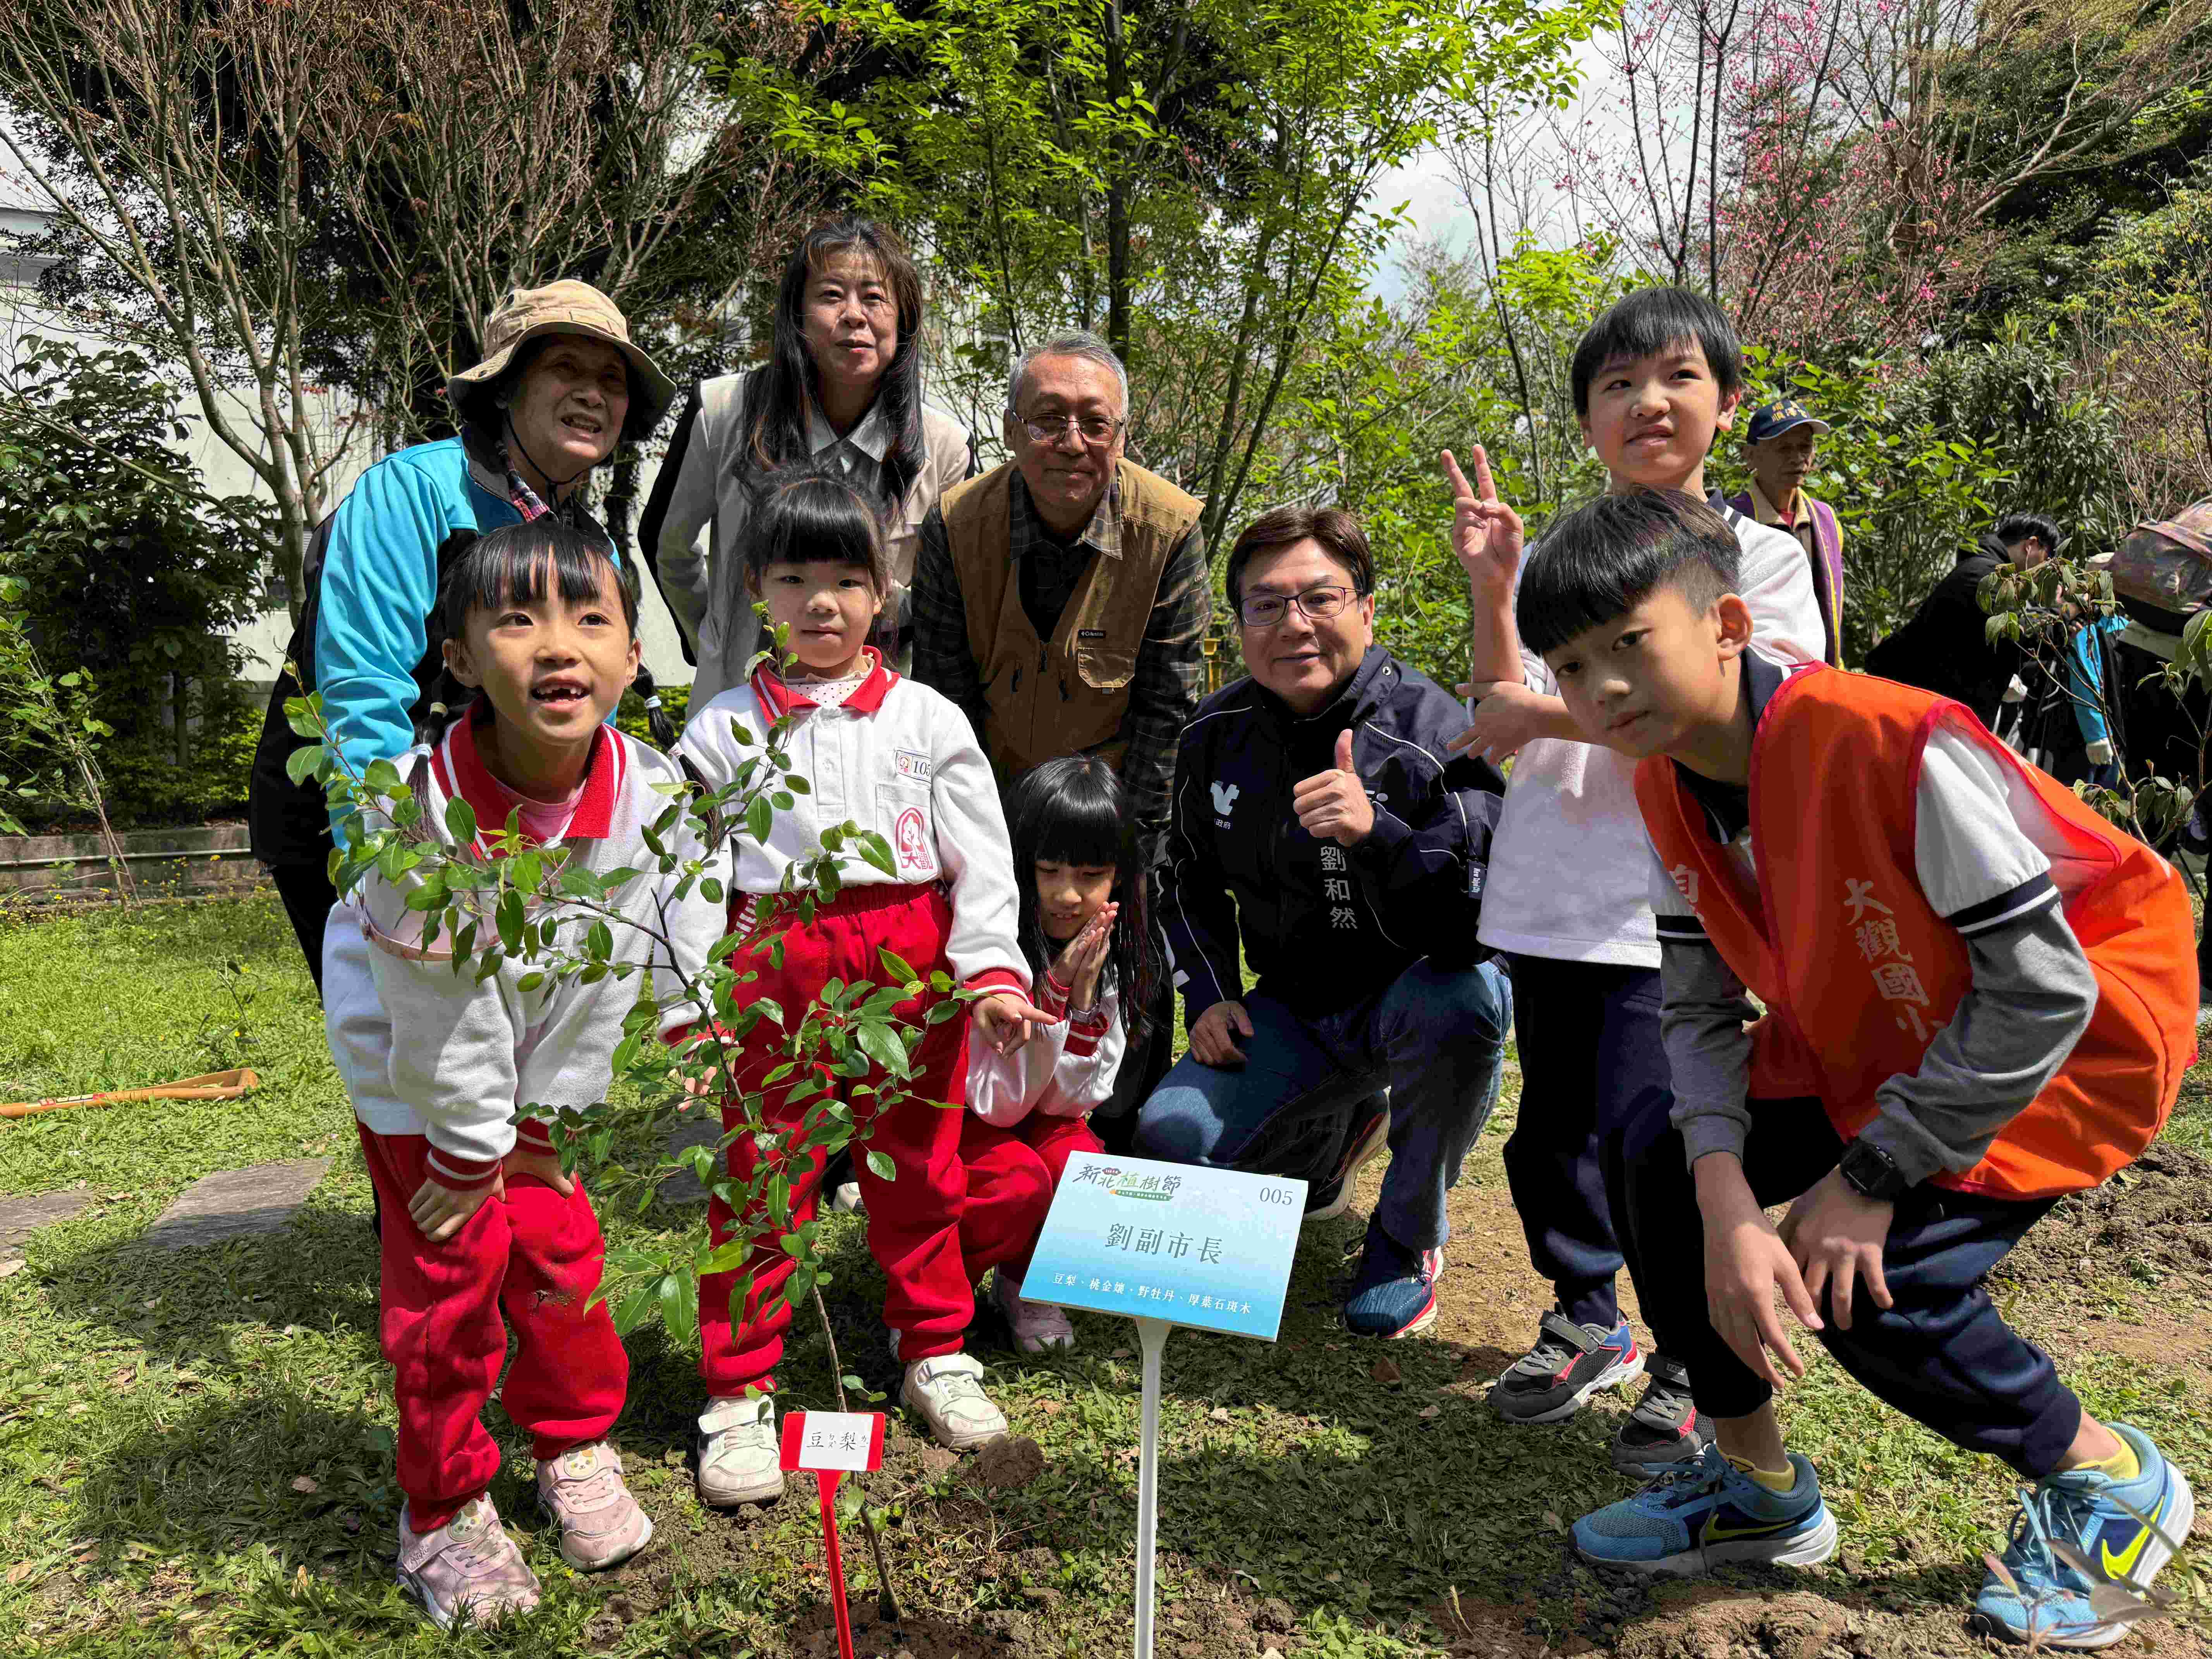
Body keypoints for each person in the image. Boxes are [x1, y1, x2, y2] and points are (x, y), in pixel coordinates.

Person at [1519, 489, 2198, 1649]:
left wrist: (1867, 1179)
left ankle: (2106, 1480)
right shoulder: (1661, 781)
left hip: (2059, 1043)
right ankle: (1754, 1493)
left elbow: (2041, 986)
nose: (1602, 692)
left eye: (1627, 646)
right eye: (1570, 669)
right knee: (1652, 1148)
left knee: (1865, 1283)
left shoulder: (1886, 740)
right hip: (1877, 1034)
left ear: (1726, 622)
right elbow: (1692, 1008)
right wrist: (1724, 1196)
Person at [323, 521, 718, 1628]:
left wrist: (687, 1018)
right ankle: (443, 1505)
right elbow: (441, 1012)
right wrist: (465, 1146)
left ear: (635, 657)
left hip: (546, 1061)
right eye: (518, 619)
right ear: (457, 656)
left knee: (558, 1248)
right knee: (450, 1272)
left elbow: (681, 898)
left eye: (592, 619)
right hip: (418, 1073)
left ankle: (572, 1439)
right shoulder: (419, 812)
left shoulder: (653, 789)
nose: (559, 646)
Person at [1454, 287, 1823, 1469]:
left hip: (1670, 897)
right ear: (1584, 423)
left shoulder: (1758, 556)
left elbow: (1765, 720)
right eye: (1614, 386)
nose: (1644, 404)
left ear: (1723, 405)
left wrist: (1542, 711)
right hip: (1550, 882)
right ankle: (1582, 1313)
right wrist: (1491, 581)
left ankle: (1682, 1353)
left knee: (1647, 1133)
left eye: (1673, 377)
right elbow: (1494, 708)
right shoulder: (1562, 558)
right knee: (1551, 1127)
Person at [671, 474, 1059, 1509]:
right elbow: (686, 874)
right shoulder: (720, 732)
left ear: (883, 589)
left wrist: (988, 970)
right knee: (766, 1169)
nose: (823, 603)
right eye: (795, 578)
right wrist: (693, 999)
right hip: (776, 958)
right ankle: (739, 1385)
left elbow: (981, 854)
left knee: (919, 1165)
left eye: (847, 579)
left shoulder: (928, 719)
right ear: (759, 591)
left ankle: (932, 1341)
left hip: (908, 963)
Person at [1134, 505, 1513, 1340]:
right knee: (1171, 1139)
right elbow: (1182, 877)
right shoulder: (1215, 734)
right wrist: (1210, 995)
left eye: (1320, 598)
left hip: (1417, 996)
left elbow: (1482, 924)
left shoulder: (1436, 730)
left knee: (1469, 1001)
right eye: (1266, 606)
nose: (1294, 626)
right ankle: (1334, 1137)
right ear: (1237, 627)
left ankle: (1406, 1238)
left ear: (1367, 611)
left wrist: (1379, 835)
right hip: (1295, 1008)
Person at [249, 280, 675, 996]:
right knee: (405, 1052)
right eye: (565, 369)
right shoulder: (410, 494)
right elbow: (362, 695)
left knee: (512, 1045)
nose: (593, 394)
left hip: (505, 821)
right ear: (506, 388)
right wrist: (390, 869)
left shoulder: (586, 542)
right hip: (367, 815)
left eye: (611, 380)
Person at [910, 328, 1210, 1141]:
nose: (1070, 444)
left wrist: (1130, 854)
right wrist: (969, 838)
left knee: (1125, 975)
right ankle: (985, 1122)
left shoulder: (1171, 529)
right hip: (992, 788)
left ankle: (1113, 1131)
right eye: (1047, 421)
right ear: (1011, 429)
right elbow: (944, 695)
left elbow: (1168, 703)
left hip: (1113, 801)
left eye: (1094, 423)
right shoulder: (956, 525)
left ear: (1121, 434)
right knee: (990, 958)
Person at [640, 215, 971, 699]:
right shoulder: (723, 412)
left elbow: (950, 598)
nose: (855, 315)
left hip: (875, 719)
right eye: (832, 295)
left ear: (904, 320)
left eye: (875, 297)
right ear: (796, 316)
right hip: (739, 715)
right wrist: (711, 640)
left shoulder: (943, 446)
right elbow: (668, 543)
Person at [969, 754, 1167, 1353]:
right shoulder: (986, 948)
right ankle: (942, 1284)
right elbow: (996, 1105)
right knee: (1014, 1182)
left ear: (1121, 877)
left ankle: (1026, 1282)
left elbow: (1075, 1102)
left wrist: (1080, 1010)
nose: (1067, 895)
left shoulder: (1111, 955)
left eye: (1091, 875)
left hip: (1033, 1109)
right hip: (968, 1121)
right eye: (1048, 870)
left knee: (1083, 1165)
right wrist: (1049, 994)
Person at [1862, 512, 2056, 728]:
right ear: (2031, 545)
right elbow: (2023, 640)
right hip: (1919, 717)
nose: (2045, 568)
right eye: (2048, 557)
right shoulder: (1988, 578)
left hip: (1925, 711)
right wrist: (2066, 613)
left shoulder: (1981, 569)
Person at [1730, 398, 1844, 666]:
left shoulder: (1825, 519)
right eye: (1783, 448)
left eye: (1805, 446)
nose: (1798, 458)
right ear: (1750, 455)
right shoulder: (1732, 522)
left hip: (1820, 671)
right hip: (1756, 674)